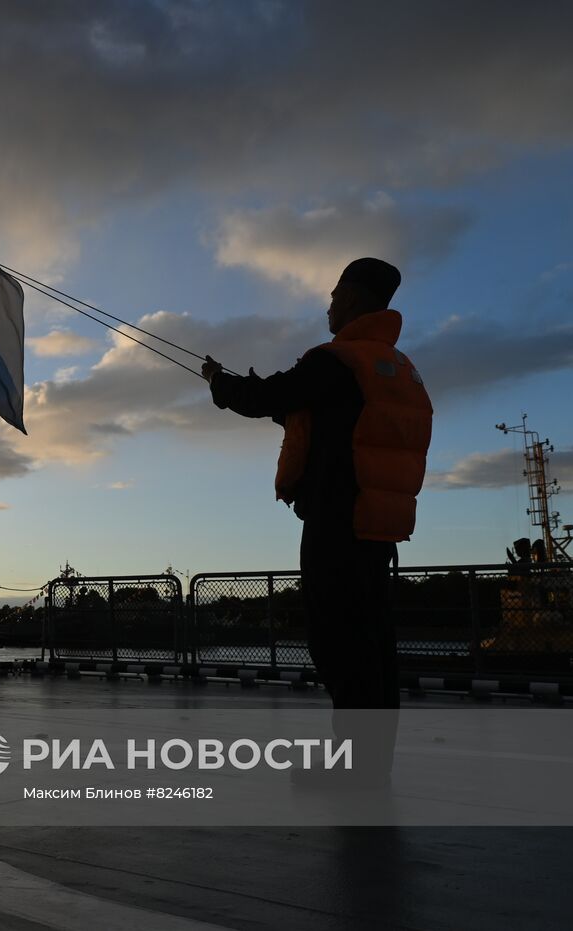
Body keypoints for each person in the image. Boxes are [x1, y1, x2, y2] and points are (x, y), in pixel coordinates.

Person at [201, 258, 432, 779]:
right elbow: (322, 417)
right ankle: (370, 764)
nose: (328, 305)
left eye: (332, 295)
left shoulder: (334, 362)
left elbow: (267, 399)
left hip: (335, 523)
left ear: (351, 297)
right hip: (378, 527)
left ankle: (352, 768)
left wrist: (219, 382)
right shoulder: (392, 368)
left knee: (337, 645)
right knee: (373, 647)